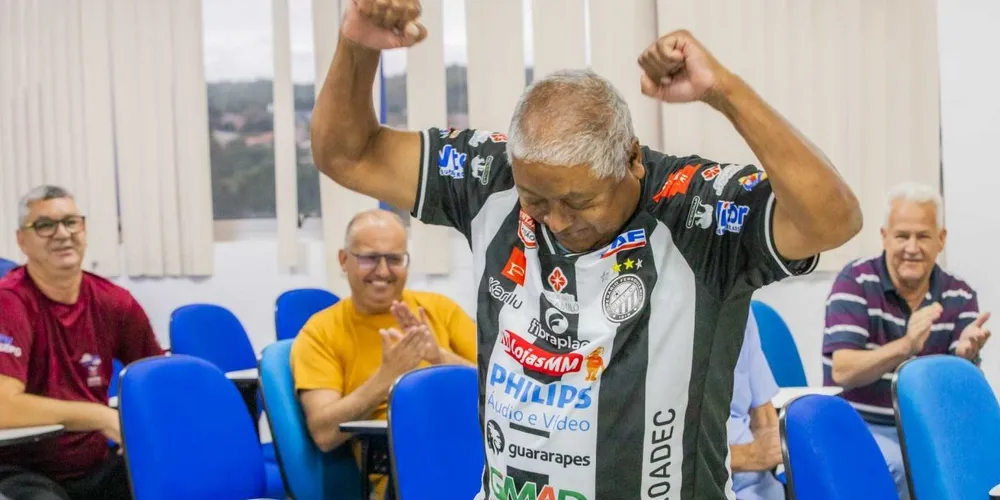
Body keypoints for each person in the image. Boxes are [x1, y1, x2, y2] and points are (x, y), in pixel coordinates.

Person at [310, 2, 862, 497]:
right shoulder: (489, 178)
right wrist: (358, 44)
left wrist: (725, 91)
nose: (556, 219)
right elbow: (347, 154)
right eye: (535, 199)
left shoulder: (697, 210)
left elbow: (833, 219)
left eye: (578, 200)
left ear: (631, 159)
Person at [290, 209, 476, 498]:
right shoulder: (320, 332)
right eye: (368, 258)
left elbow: (502, 387)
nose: (383, 271)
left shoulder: (440, 310)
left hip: (475, 445)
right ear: (343, 260)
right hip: (397, 469)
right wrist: (387, 377)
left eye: (394, 259)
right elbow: (324, 433)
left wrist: (439, 357)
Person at [823, 182, 989, 500]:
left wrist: (965, 360)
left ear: (941, 240)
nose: (912, 247)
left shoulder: (960, 294)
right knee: (898, 469)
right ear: (884, 237)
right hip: (863, 427)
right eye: (902, 236)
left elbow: (954, 396)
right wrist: (906, 346)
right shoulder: (855, 282)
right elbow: (843, 370)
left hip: (932, 430)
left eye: (923, 236)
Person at [0, 186, 165, 500]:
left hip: (96, 467)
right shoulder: (9, 302)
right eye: (44, 225)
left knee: (175, 480)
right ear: (22, 240)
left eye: (71, 222)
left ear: (84, 229)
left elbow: (155, 381)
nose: (62, 234)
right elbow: (3, 405)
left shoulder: (114, 302)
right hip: (19, 470)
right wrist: (98, 415)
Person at [729, 309, 784, 500]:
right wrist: (747, 456)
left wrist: (776, 452)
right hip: (709, 483)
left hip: (759, 482)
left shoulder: (741, 307)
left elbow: (764, 412)